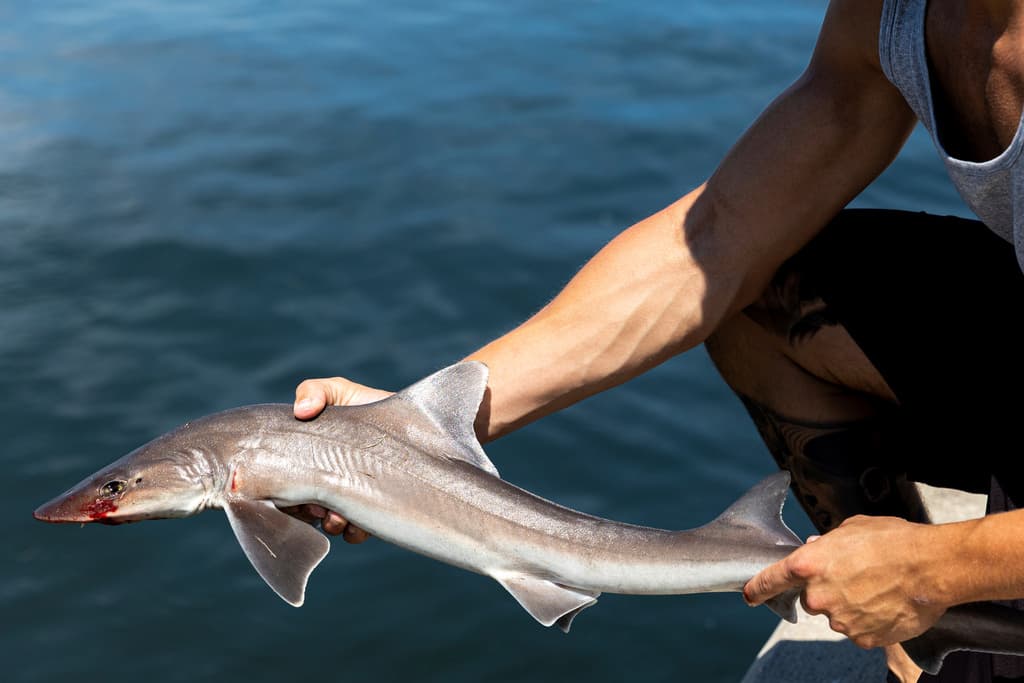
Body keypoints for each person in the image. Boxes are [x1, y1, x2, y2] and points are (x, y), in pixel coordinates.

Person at [285, 1, 1024, 680]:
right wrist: (418, 426)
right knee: (766, 293)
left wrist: (941, 567)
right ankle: (907, 635)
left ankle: (935, 594)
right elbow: (717, 239)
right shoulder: (891, 13)